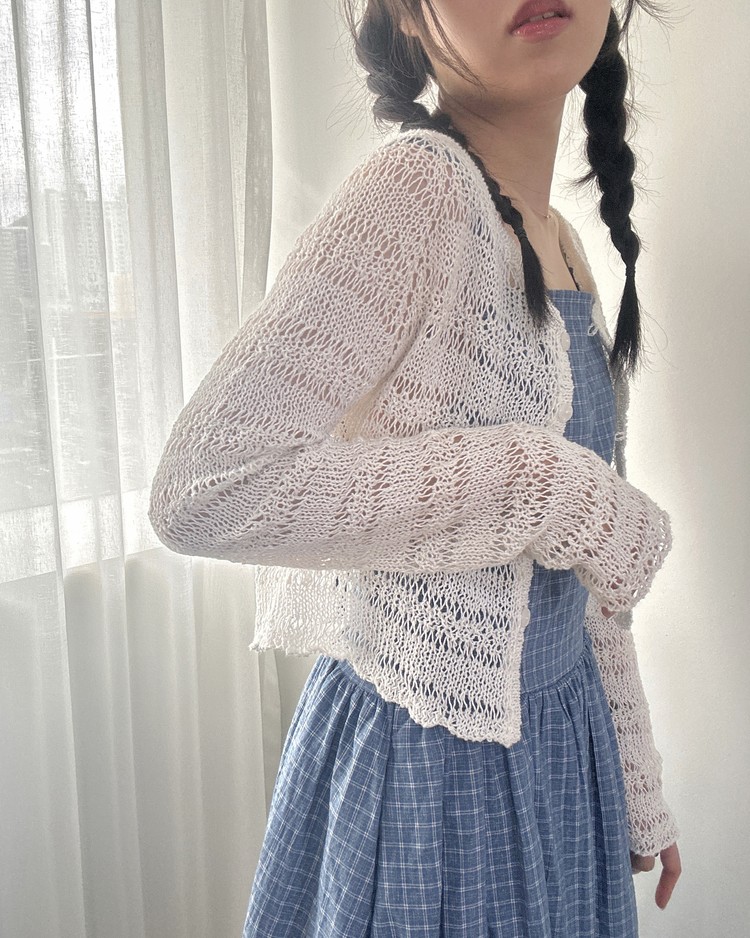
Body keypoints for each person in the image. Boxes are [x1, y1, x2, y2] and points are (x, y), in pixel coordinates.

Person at [148, 0, 683, 934]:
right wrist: (537, 482)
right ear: (406, 17)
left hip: (565, 756)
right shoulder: (419, 190)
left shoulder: (559, 241)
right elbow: (204, 488)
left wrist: (636, 784)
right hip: (435, 777)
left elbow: (587, 581)